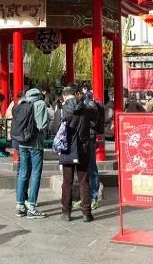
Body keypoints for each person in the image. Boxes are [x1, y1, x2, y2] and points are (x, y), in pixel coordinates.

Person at [58, 86, 94, 223]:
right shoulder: (86, 108)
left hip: (67, 148)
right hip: (83, 148)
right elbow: (94, 123)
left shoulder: (62, 110)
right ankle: (86, 213)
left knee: (67, 182)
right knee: (84, 181)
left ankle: (66, 212)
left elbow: (55, 128)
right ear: (77, 94)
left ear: (65, 96)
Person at [13, 86, 50, 219]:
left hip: (22, 142)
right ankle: (32, 207)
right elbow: (42, 125)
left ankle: (20, 205)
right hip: (35, 143)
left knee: (23, 172)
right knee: (35, 173)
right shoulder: (40, 104)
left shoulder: (22, 102)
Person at [81, 85, 105, 210]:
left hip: (89, 138)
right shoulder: (86, 103)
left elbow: (92, 122)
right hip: (85, 138)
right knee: (85, 169)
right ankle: (86, 196)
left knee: (91, 168)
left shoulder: (89, 104)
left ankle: (94, 196)